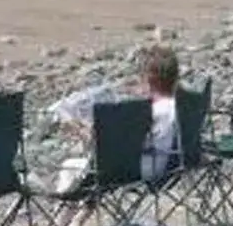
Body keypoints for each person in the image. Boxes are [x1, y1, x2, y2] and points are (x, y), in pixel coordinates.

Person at [48, 45, 186, 188]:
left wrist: (79, 128)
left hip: (135, 171)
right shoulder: (178, 105)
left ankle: (65, 209)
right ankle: (85, 209)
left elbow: (112, 147)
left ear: (147, 79)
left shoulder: (149, 111)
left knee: (69, 166)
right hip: (169, 166)